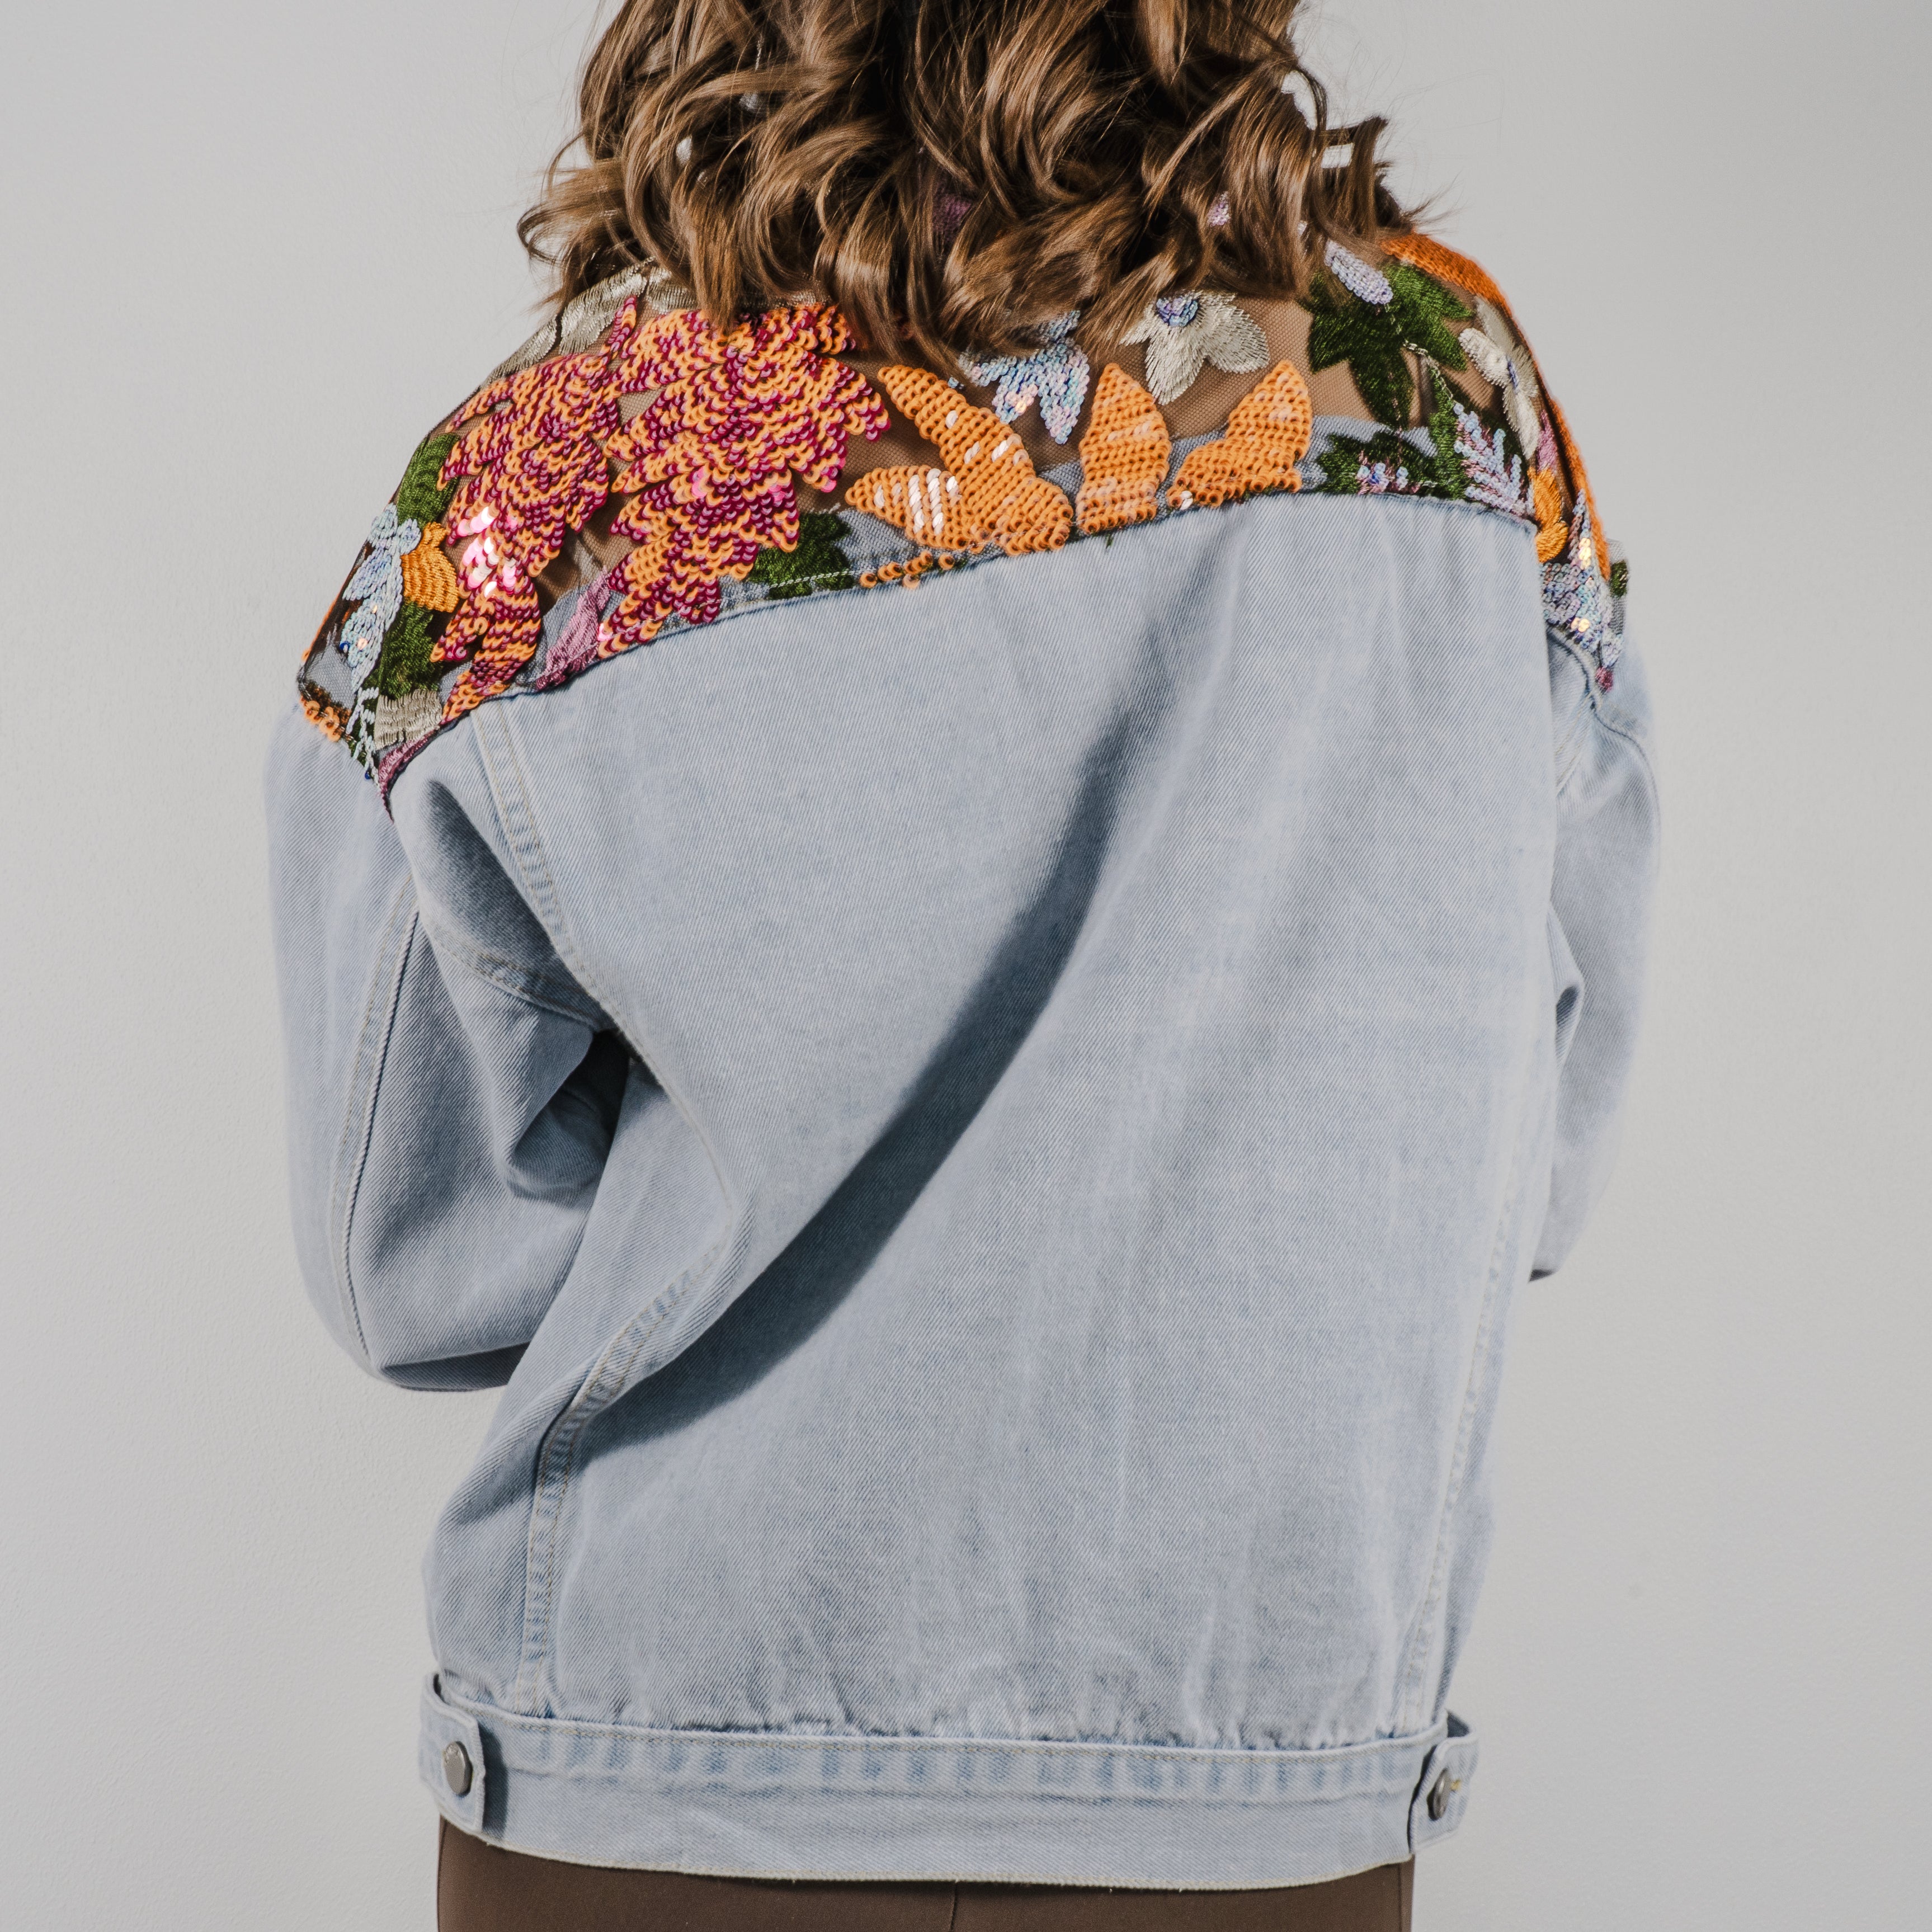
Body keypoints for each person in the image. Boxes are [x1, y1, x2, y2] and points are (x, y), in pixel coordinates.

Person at [265, 1, 1658, 1925]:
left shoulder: (553, 481)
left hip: (655, 1790)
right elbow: (1532, 1151)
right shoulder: (1440, 397)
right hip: (1260, 1791)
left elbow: (412, 1261)